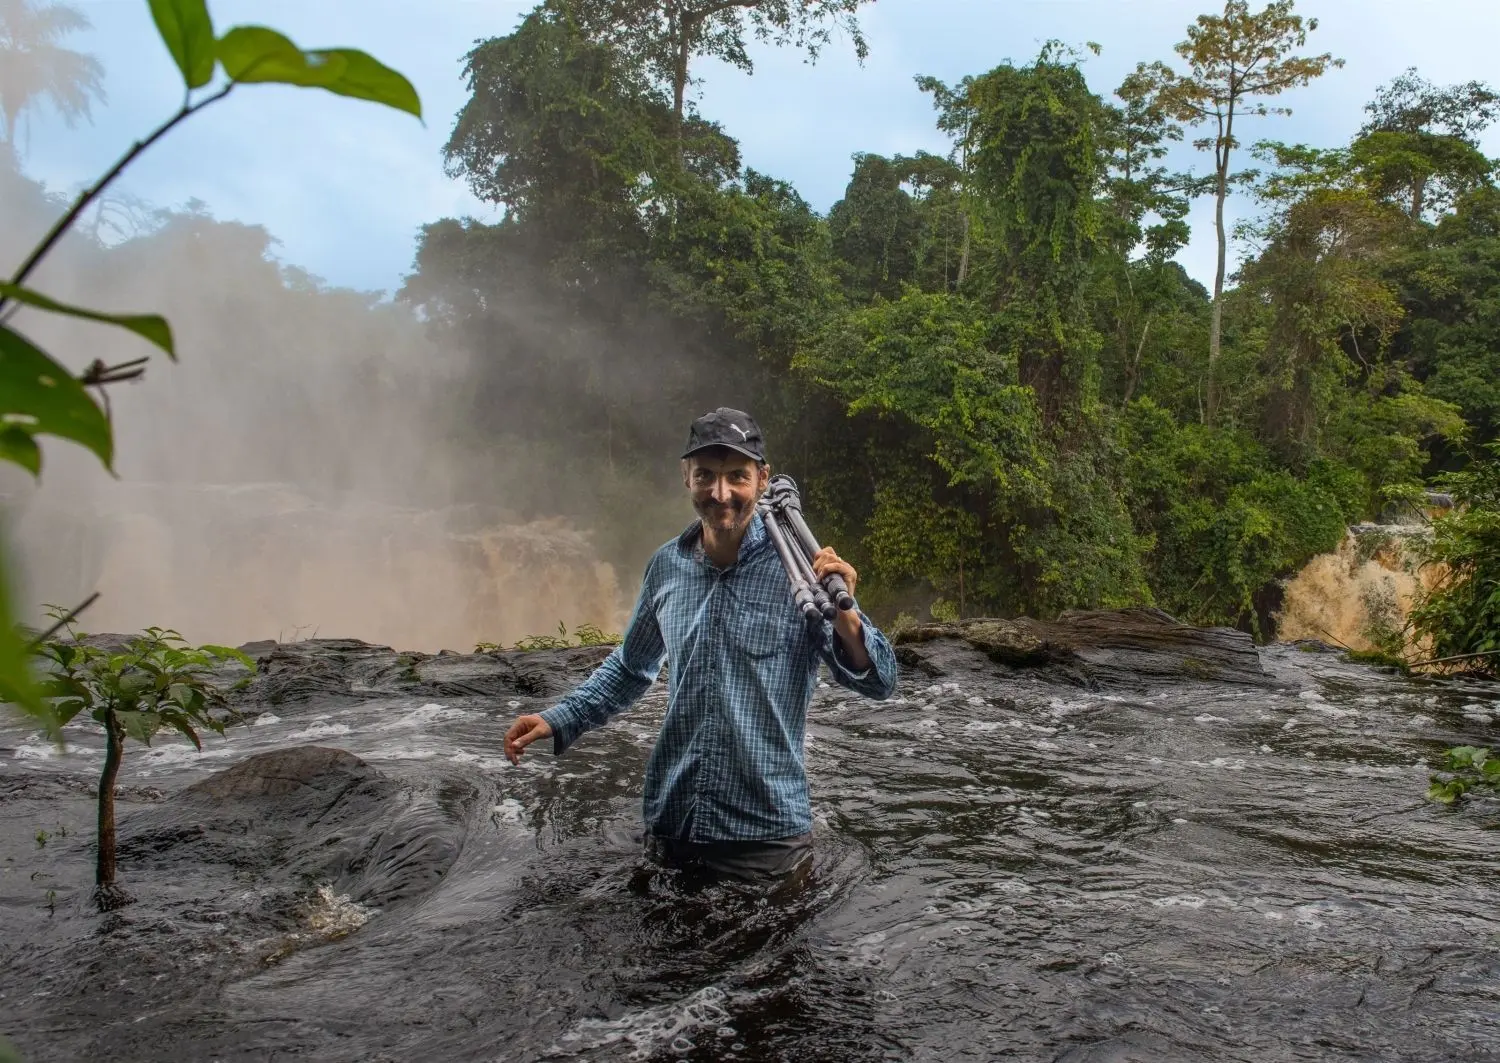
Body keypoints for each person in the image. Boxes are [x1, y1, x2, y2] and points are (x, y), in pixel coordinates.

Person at [504, 407, 899, 883]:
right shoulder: (666, 566)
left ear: (762, 478)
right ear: (686, 477)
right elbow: (631, 667)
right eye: (706, 476)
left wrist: (848, 614)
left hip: (765, 837)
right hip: (672, 822)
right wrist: (558, 718)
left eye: (737, 477)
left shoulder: (801, 572)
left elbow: (880, 681)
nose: (720, 492)